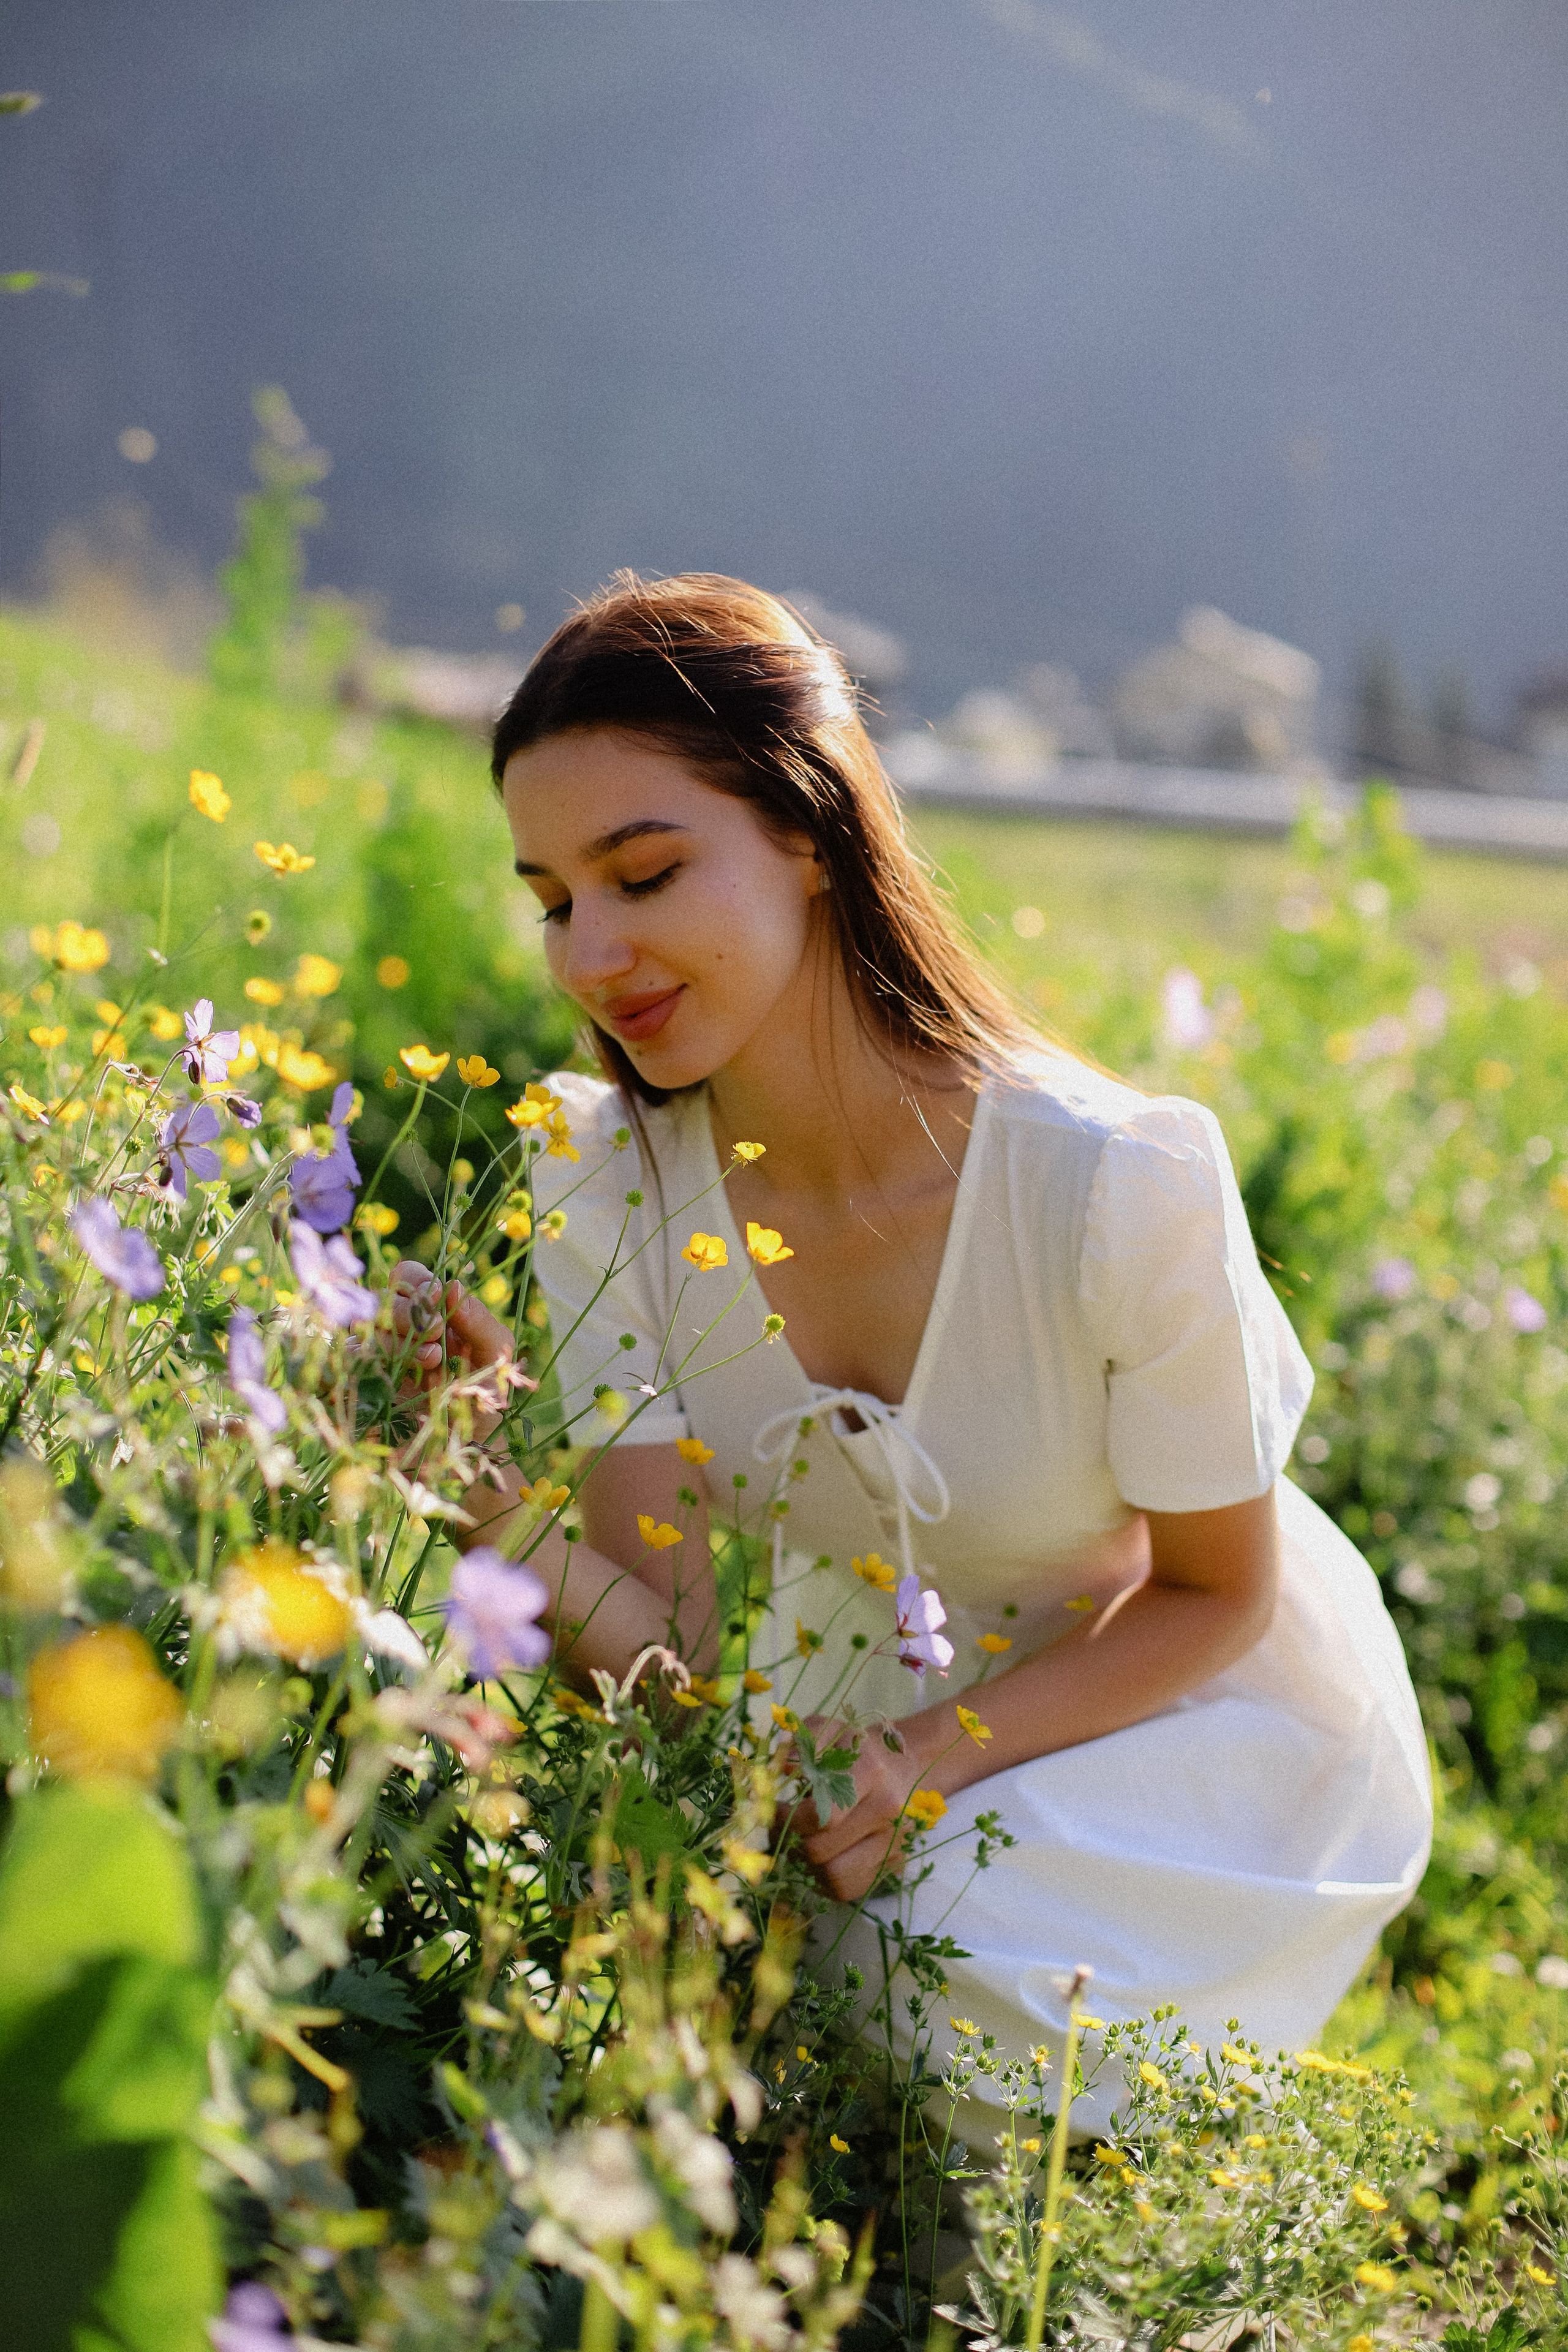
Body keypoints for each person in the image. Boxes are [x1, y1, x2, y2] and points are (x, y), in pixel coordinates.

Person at [396, 571, 1431, 2127]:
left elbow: (1217, 1593)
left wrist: (915, 1765)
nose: (586, 955)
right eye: (553, 899)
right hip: (841, 1714)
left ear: (807, 834)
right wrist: (482, 1499)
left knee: (899, 1977)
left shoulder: (1107, 1179)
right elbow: (667, 1651)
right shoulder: (601, 1174)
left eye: (645, 874)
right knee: (726, 1980)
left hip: (1162, 1707)